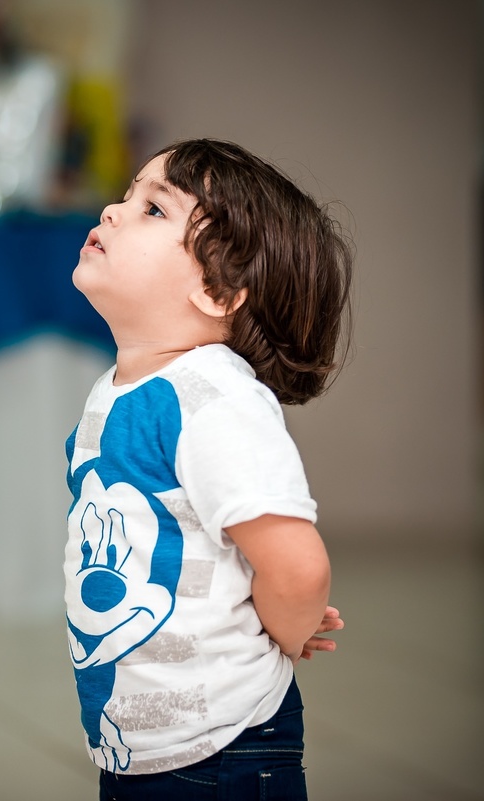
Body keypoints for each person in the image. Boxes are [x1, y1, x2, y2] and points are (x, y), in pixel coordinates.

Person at [63, 138, 352, 800]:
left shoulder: (212, 396)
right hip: (144, 747)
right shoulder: (117, 390)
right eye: (128, 193)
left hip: (226, 747)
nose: (113, 209)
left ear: (219, 291)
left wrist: (288, 625)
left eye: (153, 209)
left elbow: (298, 565)